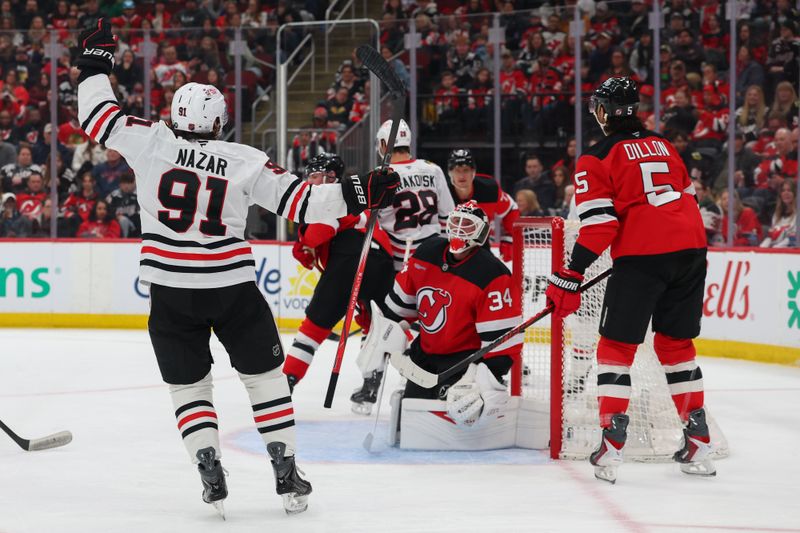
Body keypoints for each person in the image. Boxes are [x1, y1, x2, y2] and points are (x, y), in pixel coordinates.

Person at [75, 19, 398, 517]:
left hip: (170, 289)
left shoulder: (151, 140)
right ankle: (285, 467)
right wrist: (360, 191)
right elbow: (304, 204)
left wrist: (95, 61)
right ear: (220, 121)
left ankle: (207, 461)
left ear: (177, 114)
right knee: (265, 379)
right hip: (232, 287)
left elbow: (97, 115)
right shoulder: (246, 159)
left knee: (189, 386)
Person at [544, 77, 715, 483]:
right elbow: (686, 199)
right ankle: (698, 439)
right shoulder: (664, 144)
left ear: (604, 111)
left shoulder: (596, 156)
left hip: (645, 256)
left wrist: (572, 271)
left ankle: (611, 443)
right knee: (676, 345)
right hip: (692, 249)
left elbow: (600, 226)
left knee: (616, 348)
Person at [361, 202, 523, 445]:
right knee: (410, 433)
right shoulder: (426, 252)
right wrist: (380, 341)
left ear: (480, 232)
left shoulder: (493, 274)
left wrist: (482, 381)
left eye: (467, 225)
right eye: (456, 222)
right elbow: (398, 308)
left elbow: (501, 346)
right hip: (424, 357)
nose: (459, 231)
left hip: (462, 363)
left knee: (452, 437)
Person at [282, 153, 395, 413]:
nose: (315, 182)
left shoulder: (332, 200)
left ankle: (286, 381)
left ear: (333, 179)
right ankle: (372, 383)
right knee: (377, 326)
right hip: (381, 262)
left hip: (351, 258)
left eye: (321, 177)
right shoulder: (353, 201)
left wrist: (304, 242)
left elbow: (315, 237)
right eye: (312, 176)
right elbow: (309, 252)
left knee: (312, 328)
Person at [374, 118, 455, 270]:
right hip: (433, 255)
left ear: (384, 144)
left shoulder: (379, 176)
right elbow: (448, 216)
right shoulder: (433, 169)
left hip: (397, 259)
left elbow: (371, 223)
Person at [446, 149, 519, 262]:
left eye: (466, 170)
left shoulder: (489, 190)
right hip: (448, 248)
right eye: (457, 170)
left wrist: (509, 240)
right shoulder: (442, 193)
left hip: (480, 248)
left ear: (473, 172)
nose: (462, 175)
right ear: (450, 173)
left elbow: (511, 209)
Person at [760, 181, 797, 248]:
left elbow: (794, 238)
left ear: (795, 194)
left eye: (789, 190)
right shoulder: (776, 215)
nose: (786, 193)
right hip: (777, 248)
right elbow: (771, 236)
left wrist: (777, 248)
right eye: (783, 190)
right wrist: (762, 248)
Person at [106, 172, 140, 237]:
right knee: (123, 220)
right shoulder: (114, 195)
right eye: (124, 183)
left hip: (136, 228)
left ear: (134, 183)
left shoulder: (139, 196)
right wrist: (116, 217)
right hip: (116, 224)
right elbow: (105, 210)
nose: (126, 186)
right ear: (120, 184)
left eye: (129, 183)